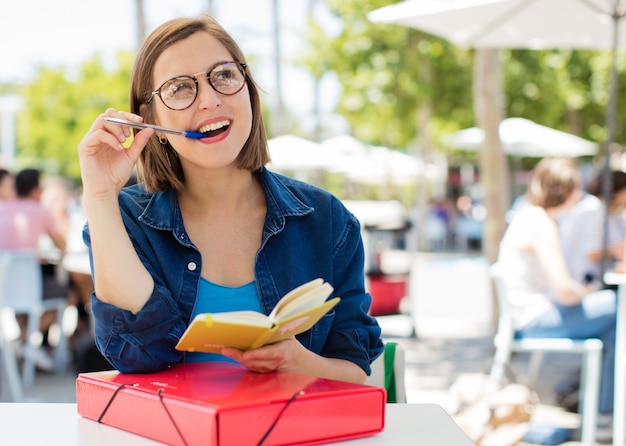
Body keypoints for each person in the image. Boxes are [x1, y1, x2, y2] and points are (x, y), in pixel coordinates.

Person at [77, 16, 383, 381]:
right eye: (178, 88)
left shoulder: (327, 219)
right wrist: (99, 194)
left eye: (223, 75)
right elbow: (138, 355)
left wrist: (294, 361)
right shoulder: (125, 220)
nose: (209, 100)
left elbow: (355, 373)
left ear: (247, 88)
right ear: (150, 122)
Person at [496, 158, 617, 421]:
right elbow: (564, 290)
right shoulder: (541, 223)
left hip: (529, 314)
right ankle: (605, 410)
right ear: (568, 190)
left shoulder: (530, 216)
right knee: (617, 305)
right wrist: (587, 292)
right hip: (537, 318)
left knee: (616, 329)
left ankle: (604, 408)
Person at [559, 170, 626, 286]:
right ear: (617, 191)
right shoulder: (593, 209)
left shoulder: (615, 214)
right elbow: (592, 253)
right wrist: (617, 249)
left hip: (601, 280)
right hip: (582, 284)